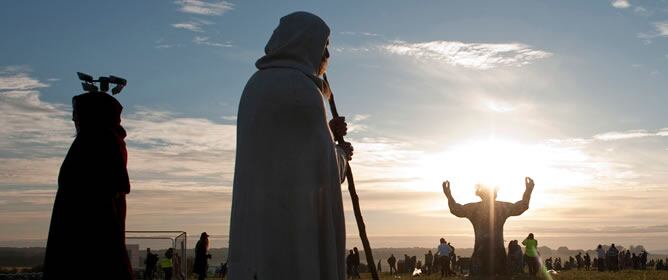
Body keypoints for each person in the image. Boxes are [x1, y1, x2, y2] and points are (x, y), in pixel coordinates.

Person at [226, 11, 353, 280]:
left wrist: (327, 135)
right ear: (307, 43)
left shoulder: (256, 85)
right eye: (325, 46)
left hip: (257, 226)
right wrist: (341, 154)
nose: (327, 56)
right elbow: (321, 171)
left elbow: (289, 149)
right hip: (293, 230)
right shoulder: (303, 91)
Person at [42, 90, 133, 279]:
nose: (73, 118)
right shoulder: (101, 140)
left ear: (94, 114)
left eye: (77, 112)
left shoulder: (98, 140)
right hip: (86, 229)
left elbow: (103, 192)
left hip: (86, 232)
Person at [441, 178, 535, 277]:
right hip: (498, 256)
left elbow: (455, 209)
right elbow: (522, 206)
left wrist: (448, 195)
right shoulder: (501, 208)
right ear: (495, 193)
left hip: (480, 255)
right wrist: (528, 190)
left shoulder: (474, 208)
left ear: (480, 194)